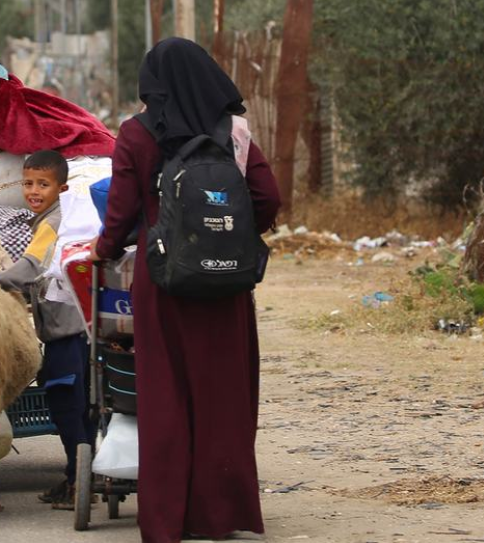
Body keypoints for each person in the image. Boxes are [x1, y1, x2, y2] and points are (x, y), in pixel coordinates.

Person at [92, 38, 281, 543]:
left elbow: (122, 210)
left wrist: (104, 250)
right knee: (224, 395)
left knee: (166, 399)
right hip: (226, 283)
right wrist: (234, 232)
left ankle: (167, 520)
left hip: (166, 282)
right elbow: (268, 197)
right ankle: (219, 515)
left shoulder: (136, 133)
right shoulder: (234, 130)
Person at [0, 150, 93, 510]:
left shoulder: (53, 222)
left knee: (66, 402)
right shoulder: (57, 217)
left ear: (61, 188)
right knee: (80, 405)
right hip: (77, 328)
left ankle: (79, 481)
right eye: (28, 183)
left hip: (67, 331)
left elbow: (32, 266)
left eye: (43, 185)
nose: (33, 191)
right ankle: (77, 476)